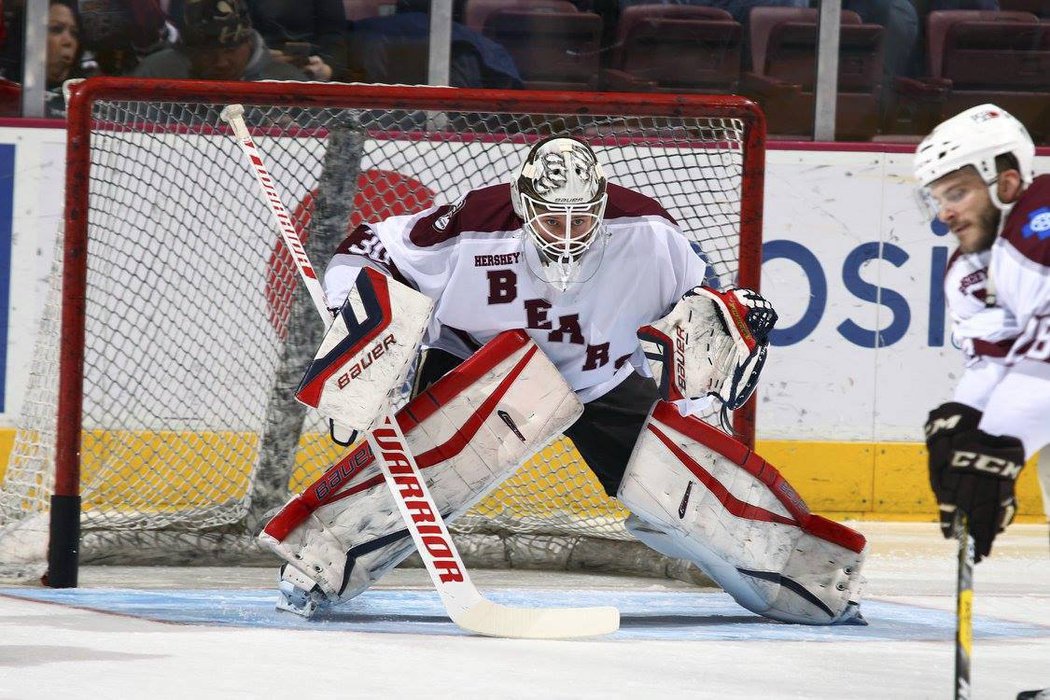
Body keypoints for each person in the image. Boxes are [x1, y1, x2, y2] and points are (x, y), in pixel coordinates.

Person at [262, 135, 870, 627]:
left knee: (696, 487)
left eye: (584, 220)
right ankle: (319, 561)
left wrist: (723, 319)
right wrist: (358, 324)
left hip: (602, 377)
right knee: (426, 472)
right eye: (555, 220)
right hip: (483, 366)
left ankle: (808, 581)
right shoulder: (474, 224)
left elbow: (705, 304)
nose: (570, 234)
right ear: (525, 208)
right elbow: (365, 250)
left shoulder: (648, 233)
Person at [915, 104, 1050, 563]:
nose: (945, 213)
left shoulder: (1042, 216)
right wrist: (966, 420)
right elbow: (998, 357)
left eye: (957, 192)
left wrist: (995, 444)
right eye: (937, 198)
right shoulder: (969, 270)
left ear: (1006, 183)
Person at [131, 0, 305, 81]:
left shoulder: (286, 82)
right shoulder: (156, 74)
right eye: (209, 53)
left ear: (249, 44)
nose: (221, 63)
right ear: (189, 51)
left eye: (230, 50)